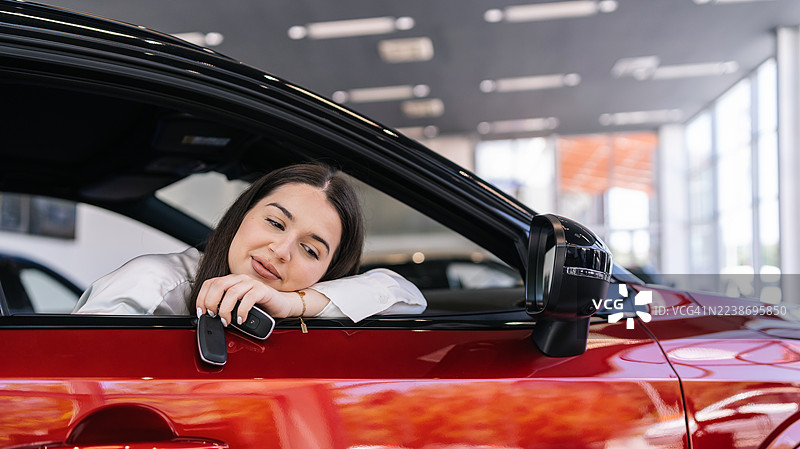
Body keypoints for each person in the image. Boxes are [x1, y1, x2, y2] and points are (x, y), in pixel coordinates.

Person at [72, 163, 426, 326]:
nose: (282, 250)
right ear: (241, 215)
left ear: (329, 271)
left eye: (310, 249)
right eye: (274, 223)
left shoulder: (304, 304)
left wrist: (291, 303)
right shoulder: (155, 284)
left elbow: (406, 297)